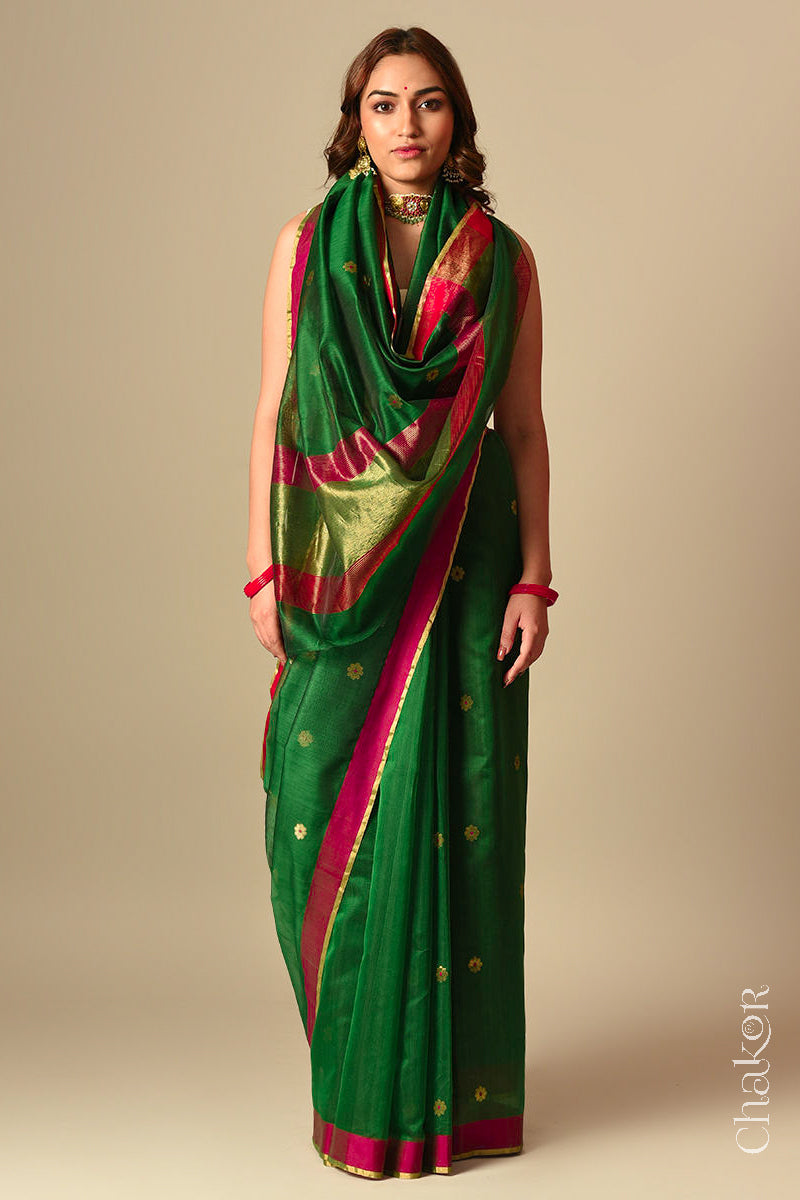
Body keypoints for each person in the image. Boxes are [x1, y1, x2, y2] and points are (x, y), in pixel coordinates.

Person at [244, 25, 557, 1180]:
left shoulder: (504, 258)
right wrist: (260, 565)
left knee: (453, 811)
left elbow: (520, 430)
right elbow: (275, 413)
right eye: (384, 105)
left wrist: (534, 575)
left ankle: (443, 1107)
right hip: (333, 576)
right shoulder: (302, 247)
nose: (408, 126)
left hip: (462, 568)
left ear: (455, 121)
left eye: (428, 104)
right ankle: (357, 1082)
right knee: (313, 805)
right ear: (354, 120)